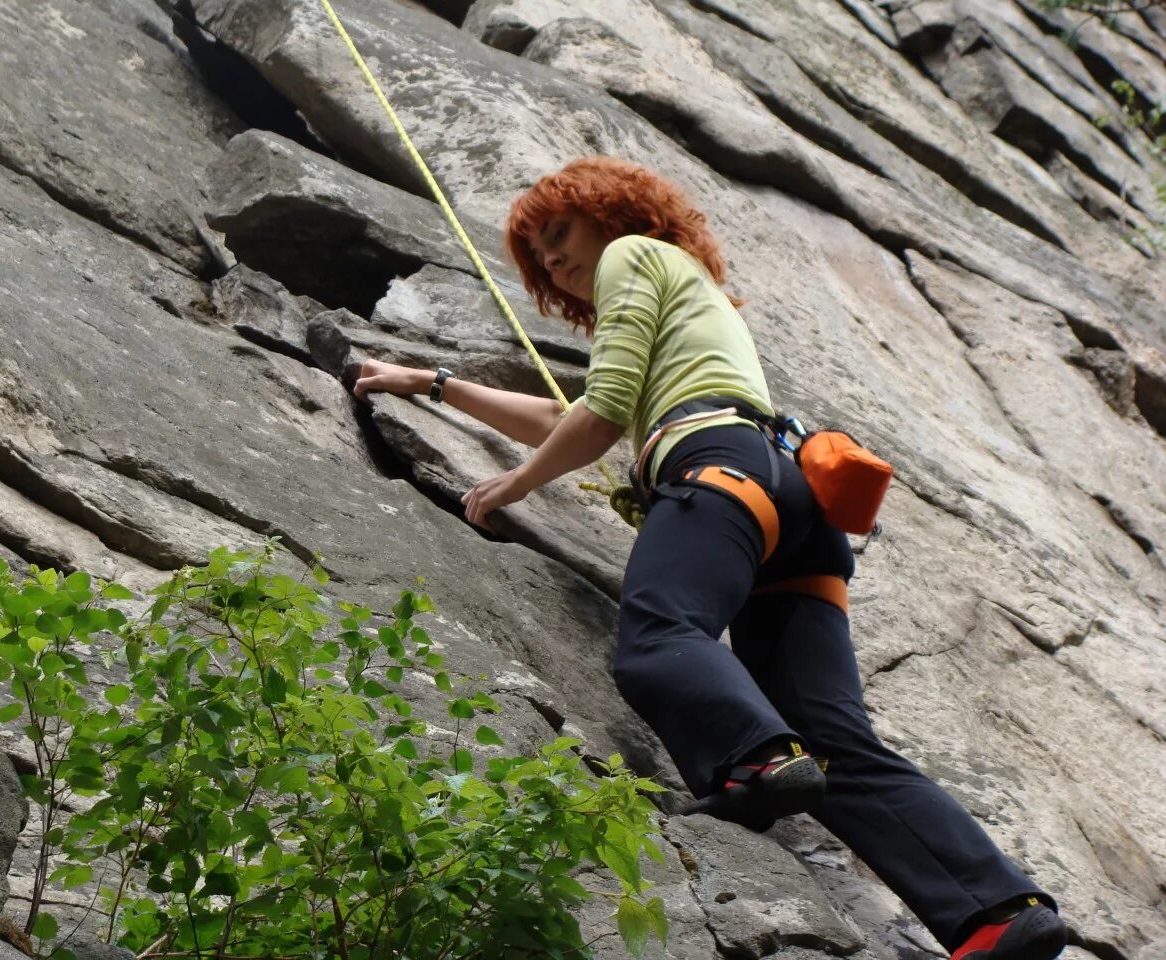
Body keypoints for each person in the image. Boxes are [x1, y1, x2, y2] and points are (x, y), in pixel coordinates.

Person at [353, 157, 1066, 960]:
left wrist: (513, 486)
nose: (554, 263)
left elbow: (602, 412)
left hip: (717, 470)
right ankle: (998, 913)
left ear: (612, 214)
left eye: (560, 237)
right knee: (835, 739)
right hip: (788, 500)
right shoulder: (684, 305)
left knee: (661, 635)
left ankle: (756, 761)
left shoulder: (633, 255)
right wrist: (435, 381)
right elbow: (574, 416)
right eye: (542, 261)